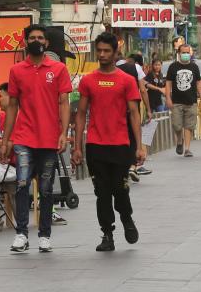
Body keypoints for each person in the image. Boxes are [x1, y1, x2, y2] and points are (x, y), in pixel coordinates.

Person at [0, 23, 73, 253]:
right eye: (32, 37)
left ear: (47, 43)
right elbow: (12, 105)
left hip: (50, 139)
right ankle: (22, 234)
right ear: (25, 42)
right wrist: (6, 140)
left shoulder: (59, 69)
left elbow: (64, 102)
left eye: (41, 38)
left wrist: (64, 133)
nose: (37, 41)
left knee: (46, 188)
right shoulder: (16, 71)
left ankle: (44, 235)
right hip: (24, 138)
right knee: (21, 184)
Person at [72, 32, 145, 251]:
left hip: (121, 146)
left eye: (106, 51)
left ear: (115, 53)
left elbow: (134, 113)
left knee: (120, 190)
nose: (102, 55)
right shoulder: (88, 80)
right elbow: (81, 112)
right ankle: (107, 234)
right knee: (102, 193)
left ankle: (126, 218)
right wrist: (76, 147)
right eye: (99, 50)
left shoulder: (127, 80)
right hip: (95, 146)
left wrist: (139, 147)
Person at [163, 43, 200, 157]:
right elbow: (168, 84)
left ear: (190, 53)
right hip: (176, 102)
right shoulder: (173, 67)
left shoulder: (194, 67)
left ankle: (187, 149)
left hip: (191, 101)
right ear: (178, 53)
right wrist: (168, 98)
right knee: (177, 125)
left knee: (189, 126)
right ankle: (180, 140)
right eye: (183, 52)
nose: (185, 54)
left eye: (187, 52)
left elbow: (198, 83)